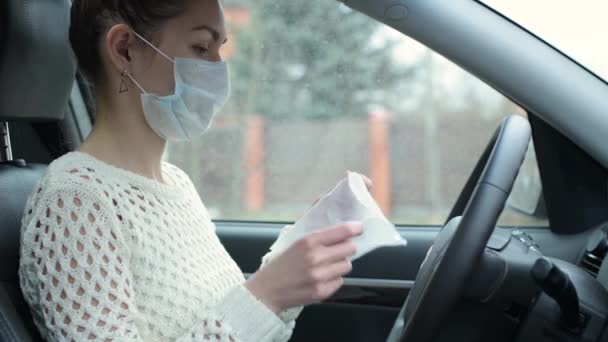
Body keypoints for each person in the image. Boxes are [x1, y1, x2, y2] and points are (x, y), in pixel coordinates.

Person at [18, 0, 369, 341]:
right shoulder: (74, 202)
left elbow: (227, 319)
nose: (218, 69)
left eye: (220, 49)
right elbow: (244, 313)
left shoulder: (176, 184)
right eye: (202, 47)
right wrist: (266, 294)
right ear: (125, 48)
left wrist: (295, 255)